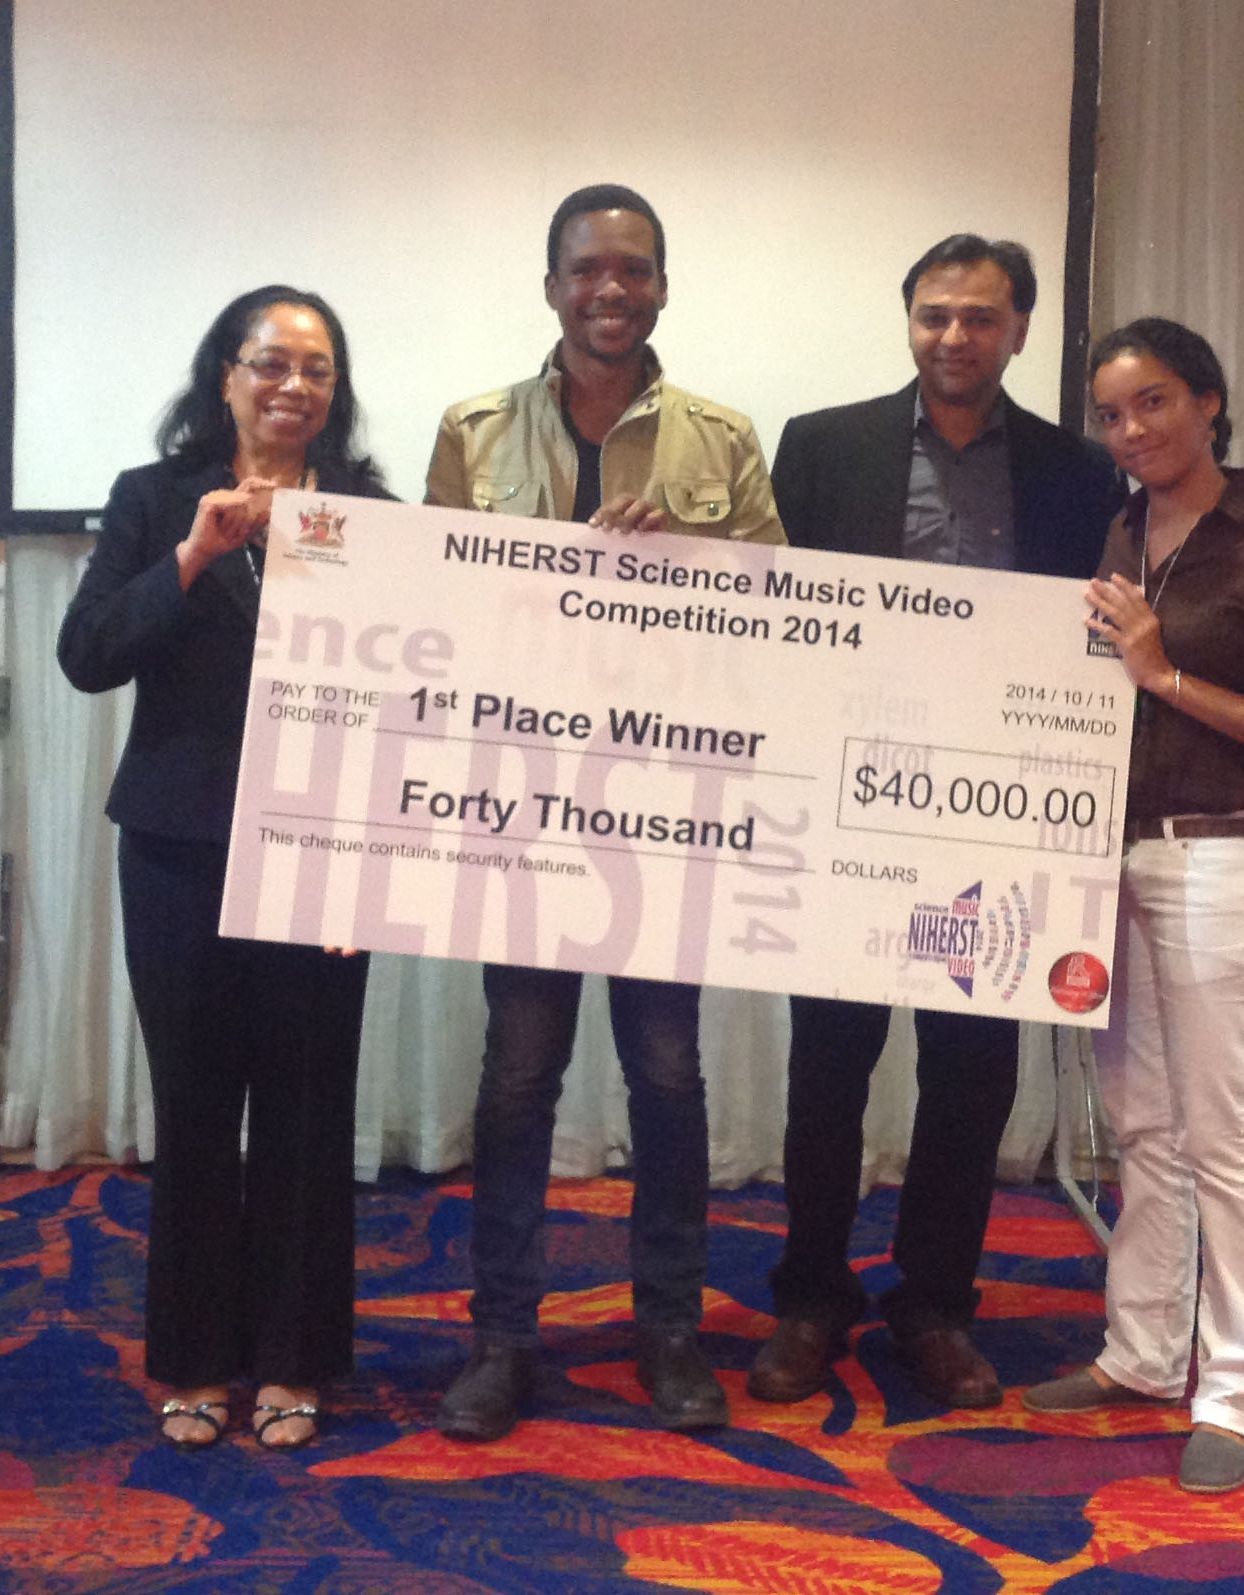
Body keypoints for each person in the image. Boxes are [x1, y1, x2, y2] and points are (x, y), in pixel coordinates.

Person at [424, 183, 785, 1441]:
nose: (610, 289)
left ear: (664, 287)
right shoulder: (472, 430)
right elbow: (434, 618)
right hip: (523, 806)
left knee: (667, 1074)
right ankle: (500, 1337)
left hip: (663, 806)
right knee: (518, 1075)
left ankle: (670, 1331)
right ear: (551, 286)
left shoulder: (722, 439)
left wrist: (684, 576)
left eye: (634, 268)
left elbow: (776, 628)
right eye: (587, 269)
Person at [750, 235, 1124, 1410]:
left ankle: (935, 1301)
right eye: (932, 316)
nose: (952, 338)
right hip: (846, 803)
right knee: (830, 1063)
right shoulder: (823, 445)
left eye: (977, 318)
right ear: (905, 320)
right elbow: (768, 610)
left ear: (1018, 329)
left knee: (970, 1071)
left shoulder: (1076, 473)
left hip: (997, 816)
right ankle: (810, 1293)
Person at [1022, 317, 1244, 1494]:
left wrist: (1165, 672)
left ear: (1209, 401)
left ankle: (1233, 1392)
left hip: (1225, 858)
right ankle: (1143, 1352)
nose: (1131, 431)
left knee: (1222, 1135)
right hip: (1120, 858)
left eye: (1153, 403)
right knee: (1145, 1126)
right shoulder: (1124, 526)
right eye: (1111, 414)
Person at [57, 285, 391, 1453]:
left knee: (306, 1113)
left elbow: (403, 709)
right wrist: (195, 554)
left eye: (317, 369)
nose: (294, 386)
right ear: (226, 375)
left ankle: (296, 1359)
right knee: (197, 1110)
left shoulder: (371, 515)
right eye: (271, 363)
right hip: (177, 850)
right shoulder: (155, 502)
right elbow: (87, 655)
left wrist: (368, 872)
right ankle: (196, 1358)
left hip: (321, 855)